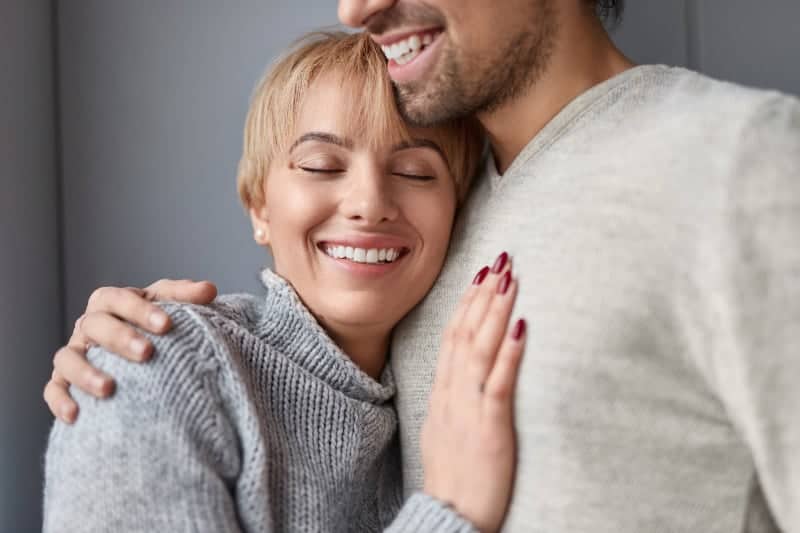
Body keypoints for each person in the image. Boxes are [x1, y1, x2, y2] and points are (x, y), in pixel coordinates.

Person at [46, 1, 800, 531]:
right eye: (322, 165)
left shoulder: (741, 163)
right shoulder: (442, 223)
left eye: (411, 173)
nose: (357, 6)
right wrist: (154, 359)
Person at [43, 31, 527, 533]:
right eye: (322, 165)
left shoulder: (430, 400)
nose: (369, 203)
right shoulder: (155, 368)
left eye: (415, 172)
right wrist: (449, 514)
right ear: (259, 207)